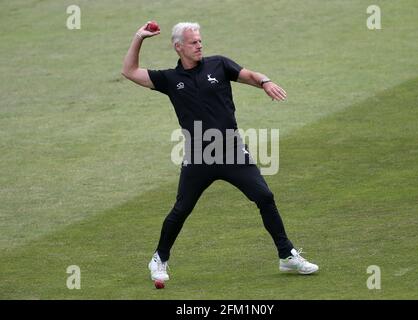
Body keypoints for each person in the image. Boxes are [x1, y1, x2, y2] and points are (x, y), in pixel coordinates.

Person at [121, 21, 319, 283]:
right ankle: (159, 258)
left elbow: (249, 75)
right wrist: (139, 37)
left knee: (264, 197)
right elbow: (129, 71)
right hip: (199, 157)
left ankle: (287, 256)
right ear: (178, 47)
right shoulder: (169, 79)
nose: (199, 44)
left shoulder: (219, 65)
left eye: (200, 40)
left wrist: (265, 82)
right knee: (182, 209)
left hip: (232, 152)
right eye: (193, 42)